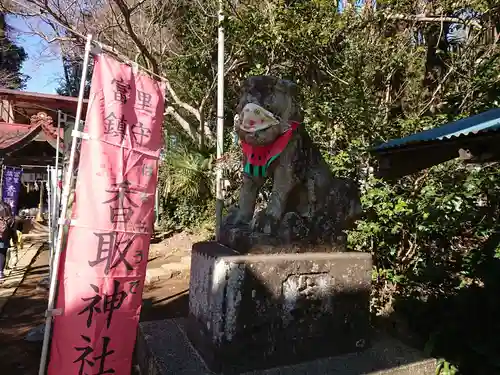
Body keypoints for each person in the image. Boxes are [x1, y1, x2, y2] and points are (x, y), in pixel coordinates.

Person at [0, 201, 18, 281]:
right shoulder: (11, 219)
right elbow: (13, 231)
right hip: (4, 238)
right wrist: (15, 240)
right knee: (2, 254)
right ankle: (0, 273)